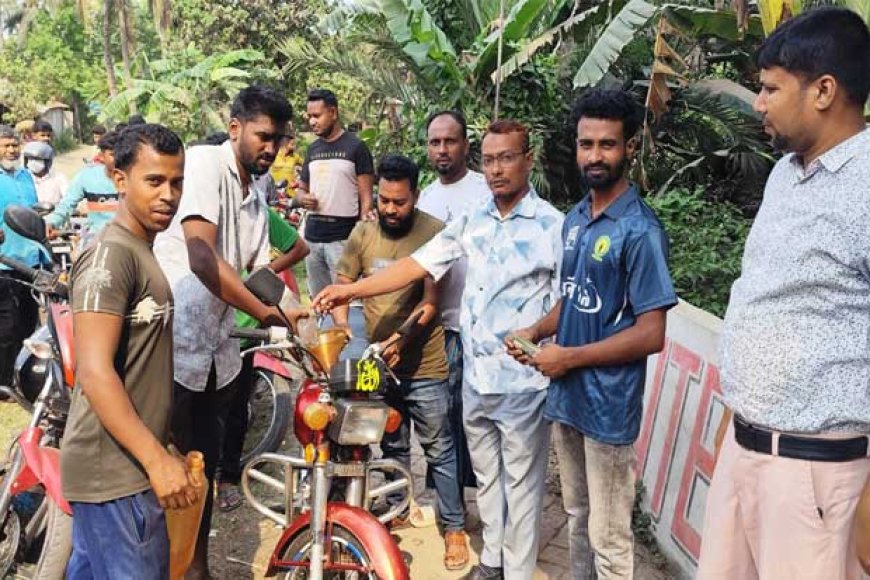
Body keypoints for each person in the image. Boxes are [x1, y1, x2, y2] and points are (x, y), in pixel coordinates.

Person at [316, 120, 564, 580]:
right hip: (476, 379)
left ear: (528, 159)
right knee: (487, 477)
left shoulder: (553, 226)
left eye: (507, 158)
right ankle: (492, 561)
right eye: (489, 160)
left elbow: (567, 300)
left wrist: (538, 332)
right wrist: (347, 292)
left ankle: (519, 571)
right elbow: (414, 266)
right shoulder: (474, 221)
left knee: (522, 484)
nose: (496, 169)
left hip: (524, 382)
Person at [696, 9, 870, 580]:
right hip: (747, 455)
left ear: (824, 90)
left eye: (771, 88)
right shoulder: (783, 175)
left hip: (818, 476)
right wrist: (736, 417)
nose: (759, 103)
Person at [507, 90, 677, 579]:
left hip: (608, 407)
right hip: (568, 398)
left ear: (629, 148)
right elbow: (576, 295)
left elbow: (651, 334)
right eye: (587, 144)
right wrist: (535, 331)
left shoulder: (640, 231)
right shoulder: (576, 219)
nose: (595, 155)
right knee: (578, 518)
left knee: (609, 538)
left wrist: (569, 358)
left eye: (607, 144)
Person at [153, 85, 305, 580]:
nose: (272, 148)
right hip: (172, 347)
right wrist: (265, 315)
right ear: (236, 127)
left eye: (279, 139)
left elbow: (259, 268)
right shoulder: (203, 165)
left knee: (202, 467)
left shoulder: (256, 188)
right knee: (163, 470)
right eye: (264, 136)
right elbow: (202, 258)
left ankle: (197, 569)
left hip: (217, 353)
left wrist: (295, 314)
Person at [60, 123, 197, 579]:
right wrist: (155, 461)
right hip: (114, 477)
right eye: (154, 181)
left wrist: (165, 446)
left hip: (128, 467)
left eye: (176, 182)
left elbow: (139, 366)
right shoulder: (111, 256)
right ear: (120, 180)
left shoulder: (141, 251)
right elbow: (95, 372)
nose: (168, 195)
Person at [332, 153, 468, 569]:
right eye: (385, 202)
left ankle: (455, 527)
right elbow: (344, 285)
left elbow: (431, 304)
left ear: (415, 195)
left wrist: (400, 340)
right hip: (376, 359)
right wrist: (345, 328)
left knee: (440, 448)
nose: (390, 210)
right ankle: (394, 512)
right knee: (388, 440)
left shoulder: (434, 232)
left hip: (423, 363)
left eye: (400, 202)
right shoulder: (363, 233)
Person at [417, 110, 490, 500]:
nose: (442, 149)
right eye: (435, 142)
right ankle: (450, 500)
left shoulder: (485, 190)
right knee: (440, 413)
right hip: (436, 324)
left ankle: (480, 497)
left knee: (472, 415)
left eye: (450, 141)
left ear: (465, 145)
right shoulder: (425, 197)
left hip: (477, 326)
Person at [216, 205, 309, 512]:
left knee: (236, 408)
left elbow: (298, 247)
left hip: (244, 327)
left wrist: (264, 272)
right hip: (201, 331)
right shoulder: (193, 211)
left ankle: (227, 477)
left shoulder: (258, 212)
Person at [297, 88, 374, 357]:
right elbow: (299, 190)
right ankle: (323, 357)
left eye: (317, 115)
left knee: (345, 304)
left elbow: (366, 197)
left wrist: (363, 233)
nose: (312, 121)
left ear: (333, 112)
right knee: (320, 303)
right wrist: (302, 198)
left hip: (344, 238)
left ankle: (349, 358)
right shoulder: (313, 150)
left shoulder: (355, 147)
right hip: (313, 236)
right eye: (309, 116)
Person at [0, 125, 41, 388]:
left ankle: (24, 378)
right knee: (7, 324)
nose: (12, 150)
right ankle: (4, 380)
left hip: (31, 259)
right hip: (4, 261)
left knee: (29, 319)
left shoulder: (26, 176)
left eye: (14, 145)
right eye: (5, 145)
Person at [45, 130, 119, 246]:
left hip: (127, 241)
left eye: (123, 154)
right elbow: (66, 205)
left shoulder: (135, 179)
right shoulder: (86, 176)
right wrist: (51, 223)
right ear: (102, 156)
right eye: (113, 155)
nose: (119, 159)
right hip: (96, 240)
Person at [22, 141, 68, 205]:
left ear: (47, 161)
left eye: (37, 159)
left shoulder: (58, 178)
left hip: (54, 213)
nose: (33, 161)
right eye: (31, 158)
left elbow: (68, 199)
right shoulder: (23, 178)